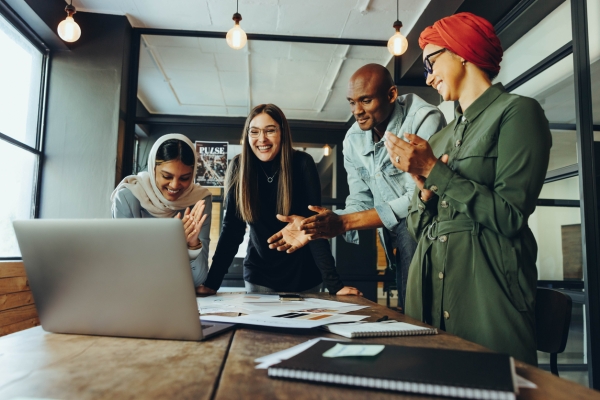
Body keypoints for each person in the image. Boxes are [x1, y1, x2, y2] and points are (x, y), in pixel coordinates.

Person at [383, 12, 551, 365]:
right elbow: (414, 227)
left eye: (431, 61)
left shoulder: (518, 113)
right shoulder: (441, 136)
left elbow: (510, 217)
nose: (428, 77)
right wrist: (425, 192)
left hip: (485, 297)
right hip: (426, 295)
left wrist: (434, 172)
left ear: (461, 51)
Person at [267, 64, 445, 310]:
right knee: (410, 305)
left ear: (391, 95)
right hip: (394, 232)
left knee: (421, 308)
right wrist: (317, 224)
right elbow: (360, 199)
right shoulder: (353, 139)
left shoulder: (424, 119)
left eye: (366, 100)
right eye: (351, 102)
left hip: (431, 226)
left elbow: (417, 199)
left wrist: (344, 223)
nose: (357, 111)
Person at [196, 104, 361, 296]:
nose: (262, 139)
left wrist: (336, 286)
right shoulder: (239, 167)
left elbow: (314, 225)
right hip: (260, 276)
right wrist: (212, 283)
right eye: (254, 132)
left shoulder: (302, 164)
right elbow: (232, 229)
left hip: (304, 275)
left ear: (282, 132)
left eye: (270, 130)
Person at [111, 134, 212, 290]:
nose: (175, 185)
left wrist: (192, 245)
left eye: (185, 177)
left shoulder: (198, 200)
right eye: (167, 176)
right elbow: (126, 271)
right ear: (153, 169)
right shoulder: (128, 197)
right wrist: (174, 245)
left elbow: (197, 279)